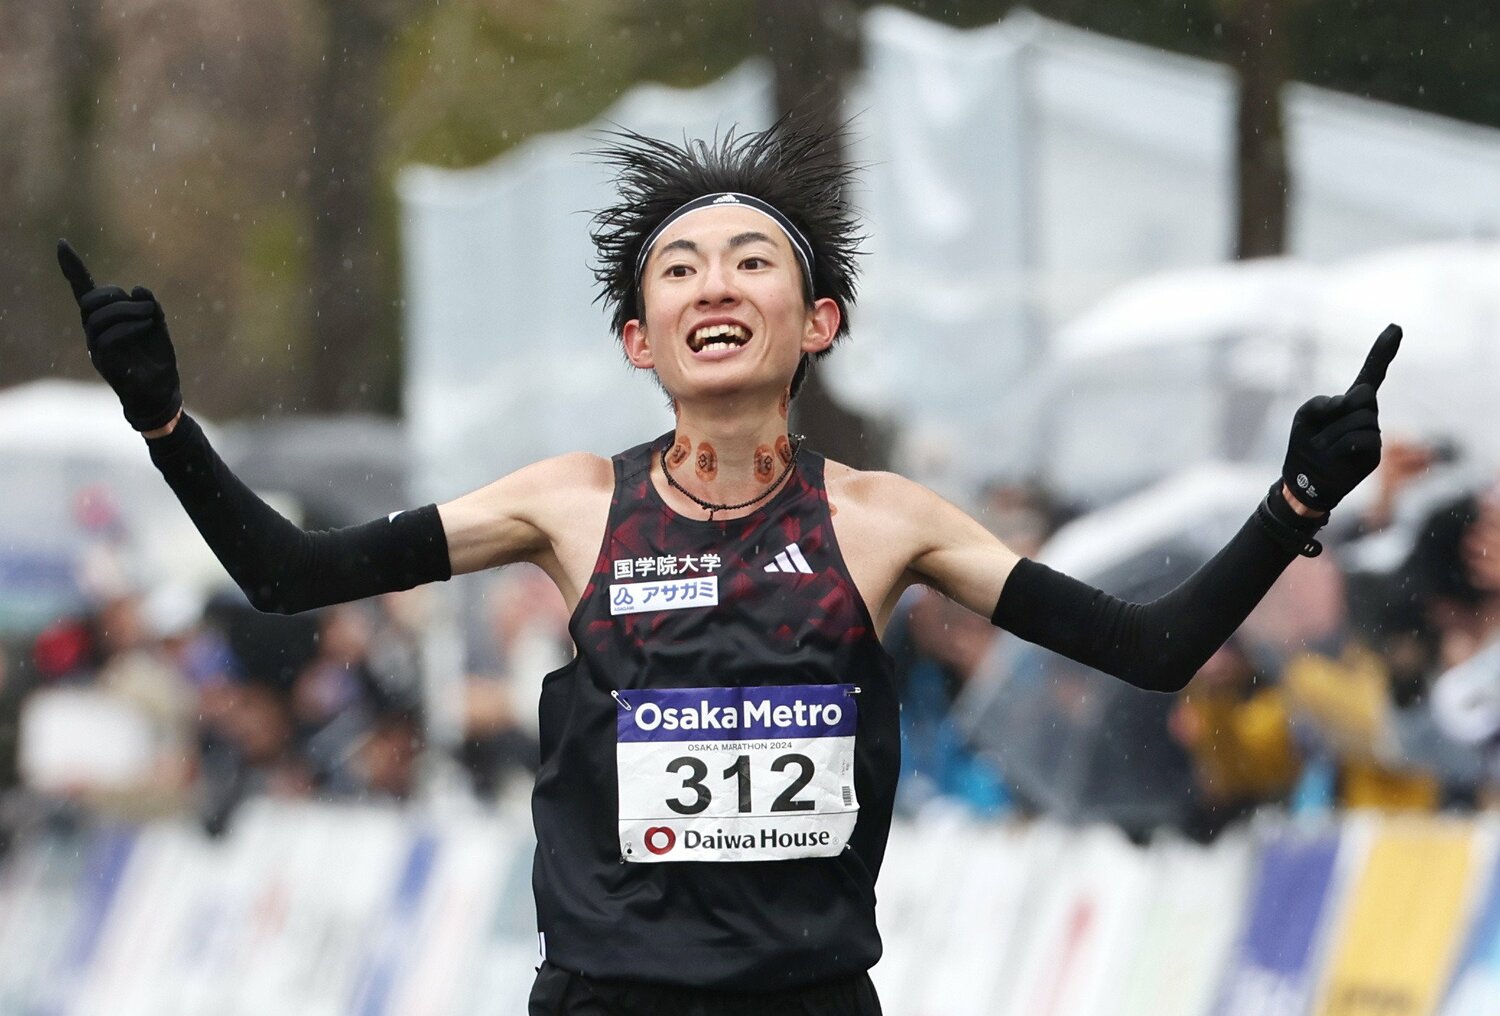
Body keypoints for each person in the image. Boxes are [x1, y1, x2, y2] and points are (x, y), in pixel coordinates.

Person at [58, 120, 1400, 1016]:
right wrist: (166, 423)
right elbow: (288, 575)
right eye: (679, 268)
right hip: (604, 999)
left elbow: (1154, 649)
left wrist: (1291, 504)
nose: (715, 283)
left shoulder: (885, 522)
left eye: (753, 260)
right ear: (638, 338)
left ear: (818, 320)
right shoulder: (570, 505)